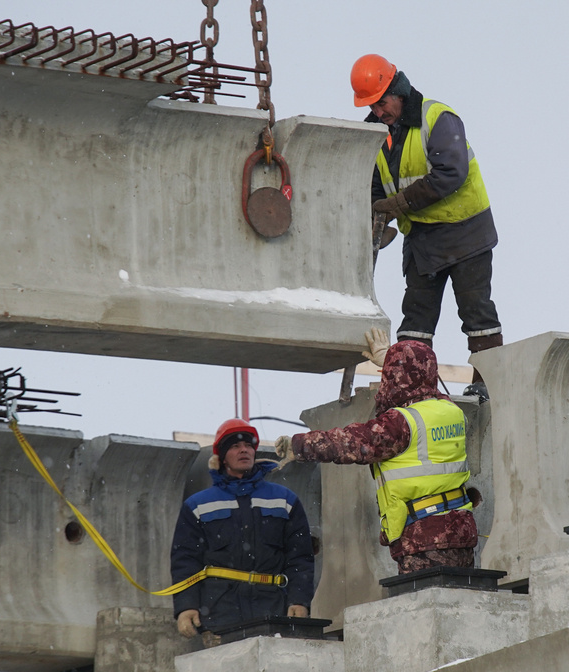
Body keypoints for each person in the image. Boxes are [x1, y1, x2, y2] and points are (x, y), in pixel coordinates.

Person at [351, 53, 503, 400]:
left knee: (477, 312)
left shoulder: (437, 118)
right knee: (416, 320)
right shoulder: (373, 136)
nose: (378, 112)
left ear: (398, 90)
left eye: (381, 102)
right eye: (371, 106)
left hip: (466, 233)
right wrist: (377, 217)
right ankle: (410, 387)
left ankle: (488, 383)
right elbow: (376, 189)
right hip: (422, 241)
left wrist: (399, 204)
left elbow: (451, 172)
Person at [276, 338, 478, 575]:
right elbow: (425, 389)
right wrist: (394, 362)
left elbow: (352, 443)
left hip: (424, 536)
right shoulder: (450, 410)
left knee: (424, 604)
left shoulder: (402, 423)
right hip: (460, 528)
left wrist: (299, 446)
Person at [170, 418, 314, 640]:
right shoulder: (197, 505)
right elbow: (185, 561)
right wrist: (185, 607)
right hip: (219, 614)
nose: (244, 450)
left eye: (248, 445)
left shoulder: (285, 499)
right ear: (222, 456)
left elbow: (300, 558)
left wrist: (299, 600)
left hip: (273, 610)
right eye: (236, 446)